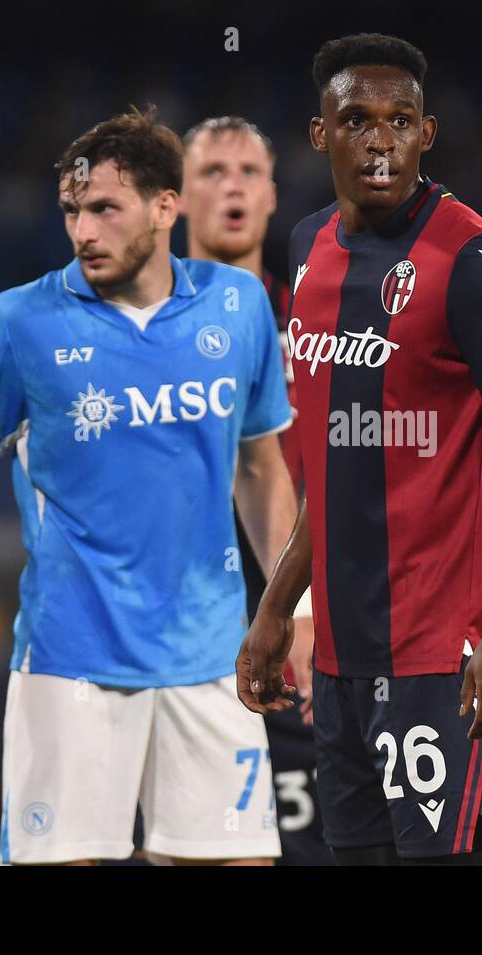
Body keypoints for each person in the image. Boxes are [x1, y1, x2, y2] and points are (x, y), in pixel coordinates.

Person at [235, 33, 482, 864]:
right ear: (321, 135)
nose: (380, 139)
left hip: (442, 655)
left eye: (401, 121)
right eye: (357, 120)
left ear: (427, 134)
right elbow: (332, 472)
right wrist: (278, 609)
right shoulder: (307, 249)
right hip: (343, 664)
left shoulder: (475, 259)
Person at [0, 105, 297, 865]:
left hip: (212, 660)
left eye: (103, 209)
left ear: (166, 207)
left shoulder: (239, 305)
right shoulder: (19, 322)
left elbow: (260, 466)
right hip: (70, 661)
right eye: (71, 211)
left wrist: (298, 604)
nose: (82, 231)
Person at [180, 114, 331, 865]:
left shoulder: (322, 322)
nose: (232, 186)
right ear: (172, 197)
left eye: (249, 173)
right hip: (177, 641)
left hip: (307, 632)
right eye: (212, 171)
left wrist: (301, 610)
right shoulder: (133, 325)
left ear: (274, 197)